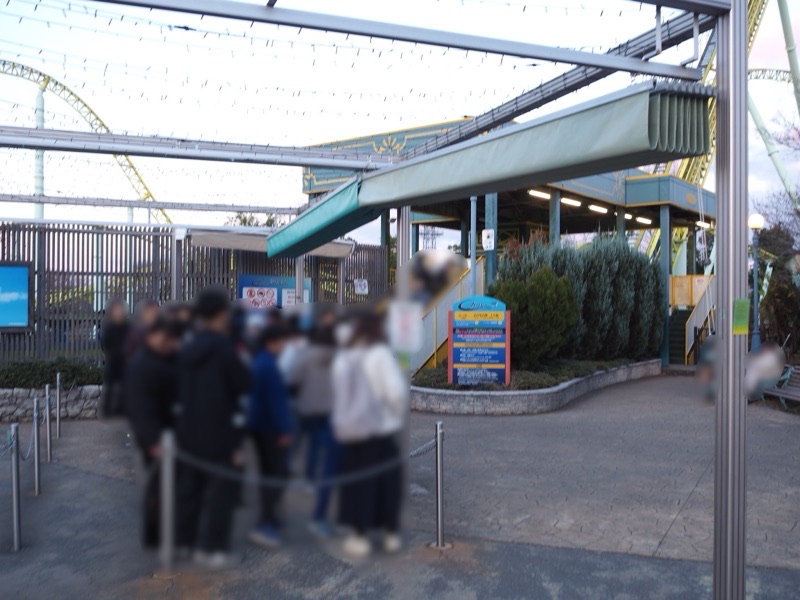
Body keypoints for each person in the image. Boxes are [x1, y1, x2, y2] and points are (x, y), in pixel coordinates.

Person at [175, 287, 250, 569]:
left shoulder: (187, 347)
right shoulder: (224, 349)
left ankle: (183, 543)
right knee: (222, 494)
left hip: (188, 432)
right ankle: (212, 549)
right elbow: (244, 383)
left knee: (189, 491)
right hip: (219, 435)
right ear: (220, 315)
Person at [331, 311, 409, 557]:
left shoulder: (344, 357)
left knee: (356, 485)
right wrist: (393, 413)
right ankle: (390, 534)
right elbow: (396, 393)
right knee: (387, 485)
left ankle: (359, 536)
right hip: (381, 432)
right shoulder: (381, 355)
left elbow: (337, 393)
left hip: (352, 433)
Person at [123, 316, 181, 549]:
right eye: (166, 340)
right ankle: (156, 534)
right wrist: (152, 440)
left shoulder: (162, 358)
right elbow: (140, 408)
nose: (170, 344)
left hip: (167, 431)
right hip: (155, 436)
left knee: (167, 485)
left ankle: (162, 532)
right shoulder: (141, 365)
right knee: (160, 486)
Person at [290, 323, 339, 538]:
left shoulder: (306, 356)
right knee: (324, 446)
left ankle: (310, 478)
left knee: (311, 444)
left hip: (308, 407)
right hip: (330, 409)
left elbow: (294, 379)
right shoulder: (338, 357)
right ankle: (321, 478)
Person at [247, 323, 294, 548]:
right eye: (281, 341)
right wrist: (284, 430)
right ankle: (265, 522)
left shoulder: (261, 361)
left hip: (260, 426)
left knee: (270, 474)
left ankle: (270, 517)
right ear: (272, 342)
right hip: (270, 429)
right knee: (277, 474)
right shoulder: (267, 365)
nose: (284, 346)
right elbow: (275, 402)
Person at [100, 298, 130, 418]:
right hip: (112, 361)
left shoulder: (127, 326)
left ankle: (122, 408)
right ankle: (107, 409)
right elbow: (105, 343)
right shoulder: (109, 326)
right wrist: (112, 354)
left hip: (124, 361)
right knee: (110, 386)